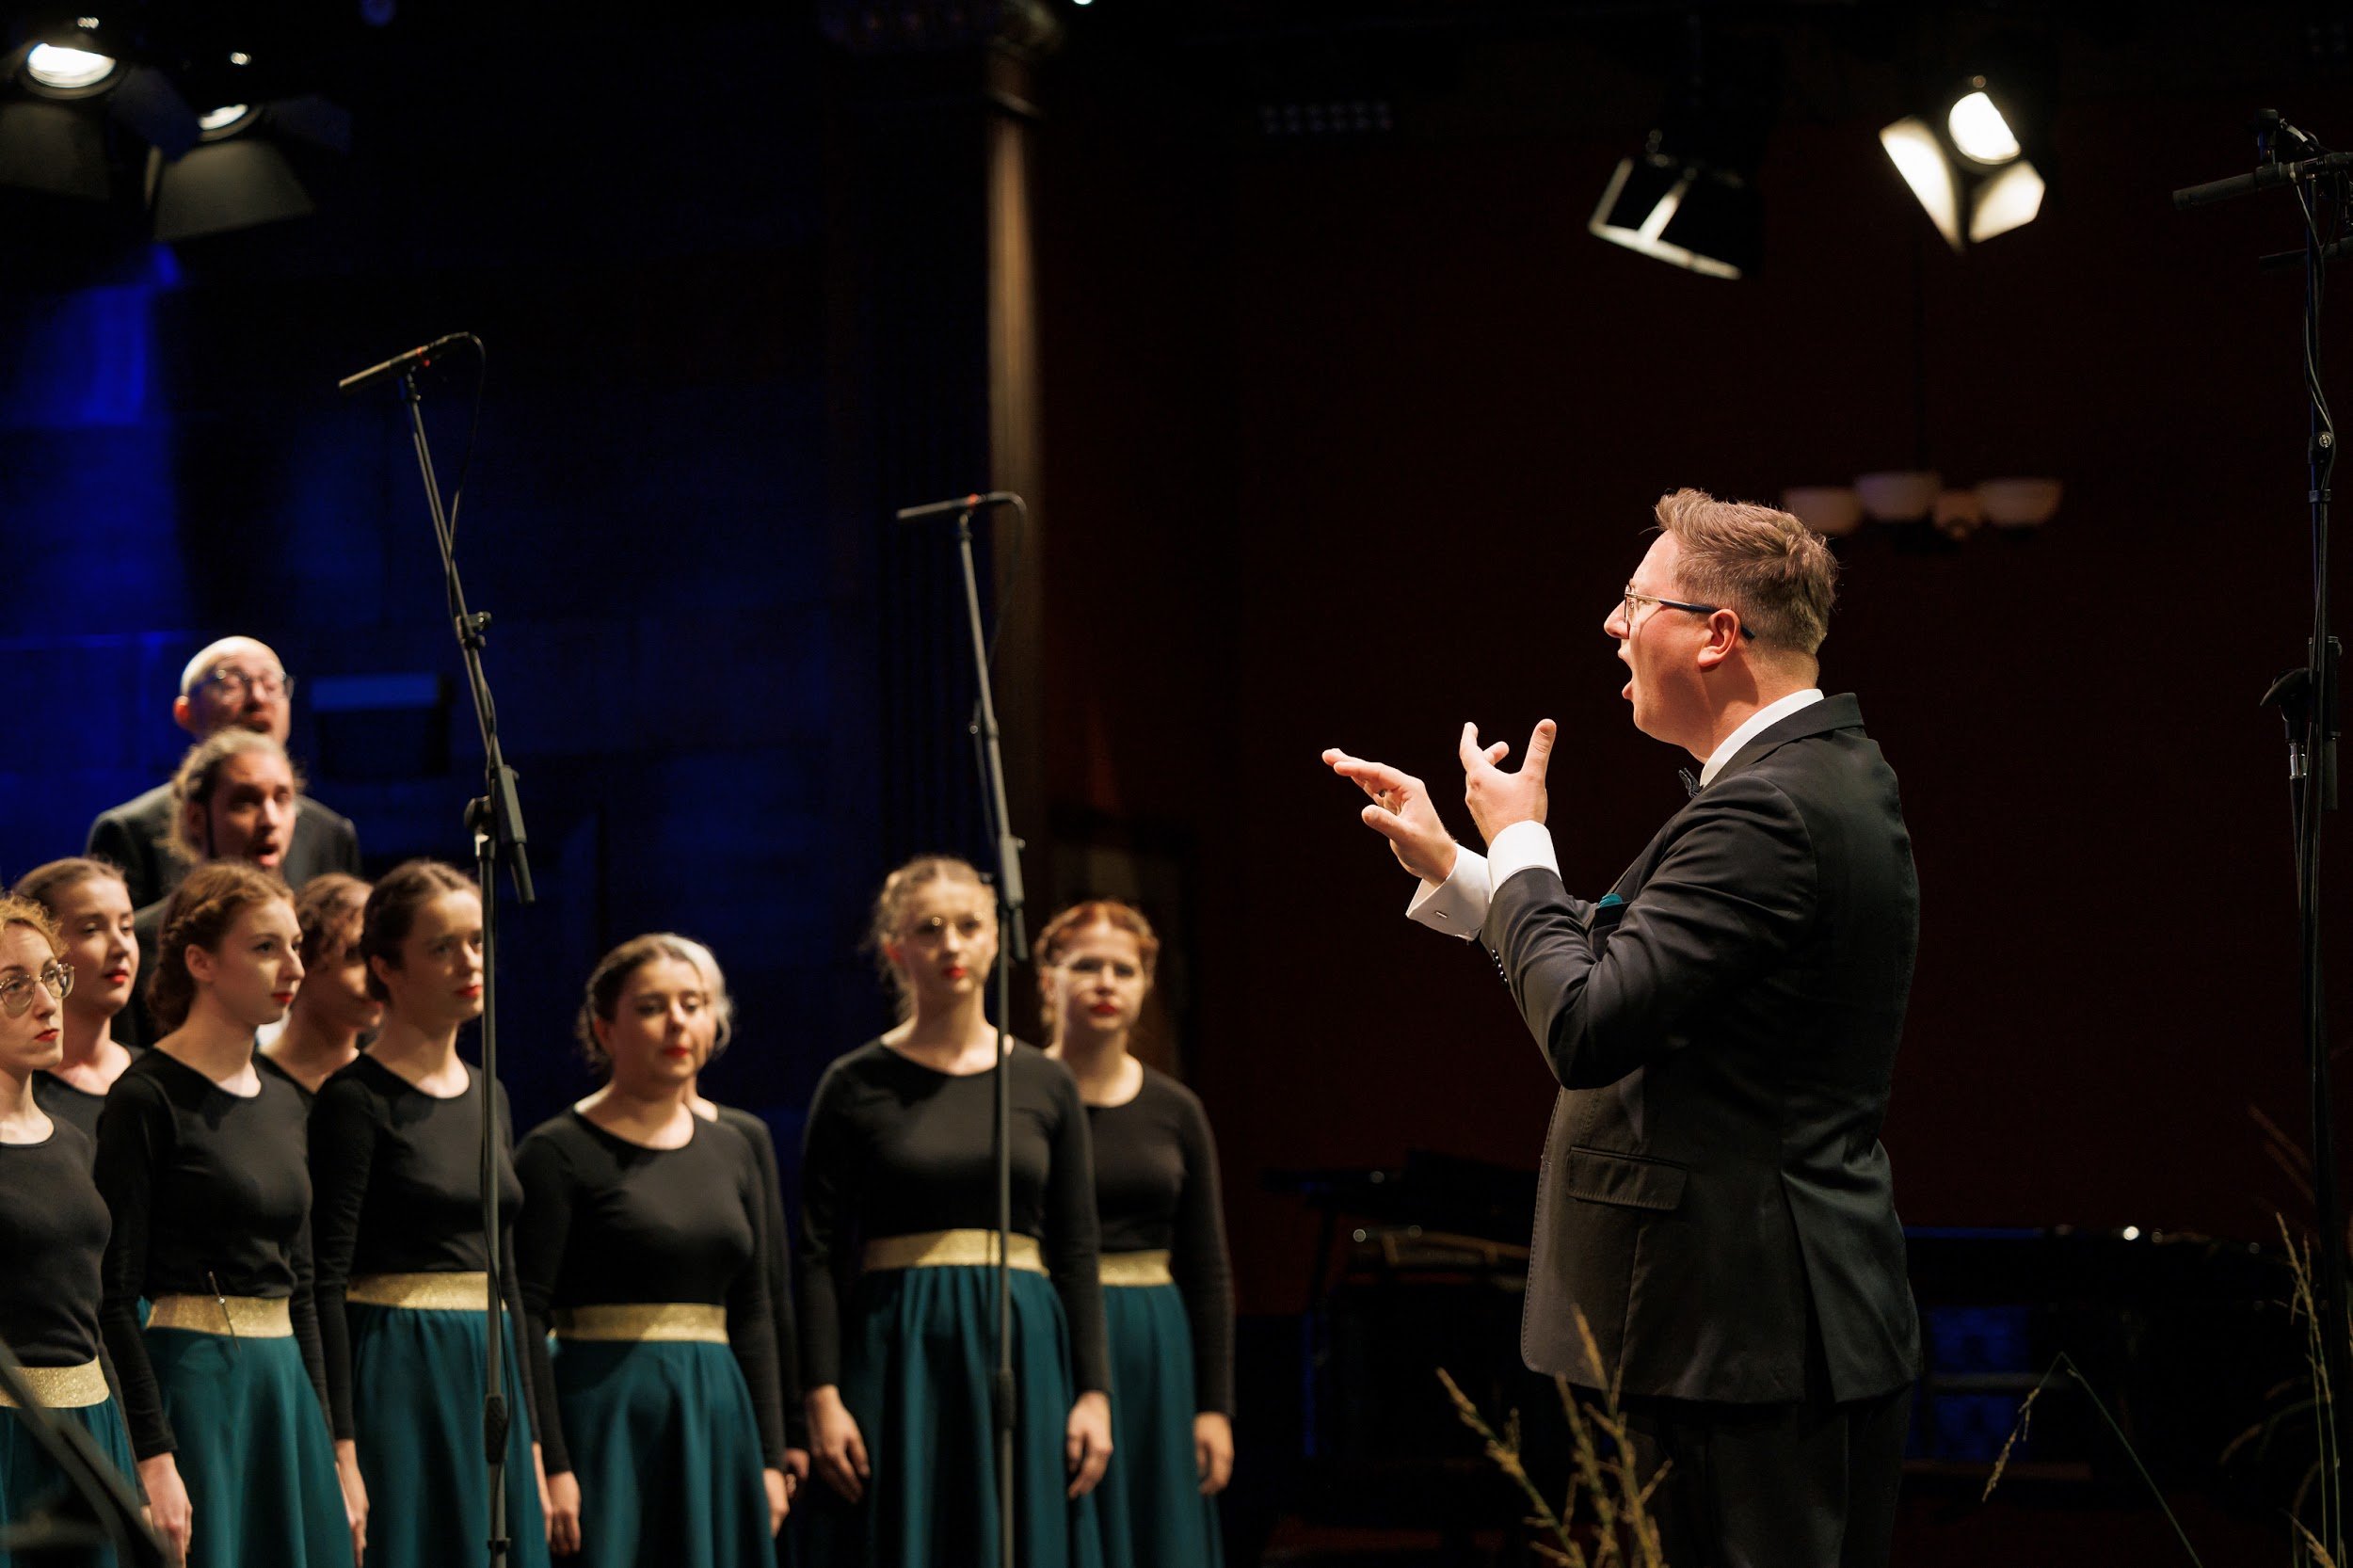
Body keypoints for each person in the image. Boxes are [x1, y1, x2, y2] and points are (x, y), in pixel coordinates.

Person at [1322, 488, 1921, 1568]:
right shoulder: (1808, 780)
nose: (1612, 623)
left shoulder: (1772, 807)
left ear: (1716, 633)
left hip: (1738, 1336)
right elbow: (1625, 968)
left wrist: (1522, 842)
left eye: (1636, 601)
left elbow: (1589, 1023)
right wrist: (1467, 869)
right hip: (1738, 1333)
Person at [797, 856, 1111, 1568]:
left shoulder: (1044, 1081)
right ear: (894, 950)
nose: (951, 944)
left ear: (996, 939)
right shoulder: (854, 1084)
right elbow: (816, 1252)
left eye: (969, 926)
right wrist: (821, 1395)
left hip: (1021, 1337)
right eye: (929, 928)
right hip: (899, 1342)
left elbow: (1077, 1246)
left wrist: (1094, 1391)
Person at [94, 860, 359, 1567]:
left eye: (296, 946)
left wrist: (335, 1447)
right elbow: (113, 1298)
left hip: (285, 1395)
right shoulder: (146, 1098)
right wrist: (152, 1457)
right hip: (198, 1389)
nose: (293, 968)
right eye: (266, 947)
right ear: (200, 962)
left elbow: (304, 1288)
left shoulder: (286, 1100)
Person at [517, 935, 789, 1568]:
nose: (677, 1022)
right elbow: (524, 1312)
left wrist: (771, 1458)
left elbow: (754, 1311)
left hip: (715, 1412)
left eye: (693, 1004)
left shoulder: (734, 1148)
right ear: (604, 1029)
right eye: (651, 1007)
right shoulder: (557, 1152)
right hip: (607, 1417)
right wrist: (551, 1460)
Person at [308, 859, 548, 1568]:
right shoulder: (354, 1100)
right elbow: (325, 1279)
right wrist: (340, 1444)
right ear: (386, 968)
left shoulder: (490, 1092)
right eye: (442, 947)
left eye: (476, 941)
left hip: (489, 1371)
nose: (469, 962)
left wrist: (535, 1444)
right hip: (400, 1369)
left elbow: (509, 1280)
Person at [1039, 899, 1233, 1568]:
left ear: (1146, 984)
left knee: (1157, 1528)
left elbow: (1208, 1269)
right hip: (1048, 1328)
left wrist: (1214, 1407)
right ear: (1048, 978)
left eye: (1124, 970)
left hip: (1152, 1340)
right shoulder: (1019, 1096)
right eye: (1085, 966)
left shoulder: (1175, 1110)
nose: (1105, 983)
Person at [0, 894, 142, 1563]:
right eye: (13, 986)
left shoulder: (75, 1140)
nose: (47, 1004)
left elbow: (95, 1315)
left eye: (52, 977)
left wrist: (131, 1472)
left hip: (91, 1430)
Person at [668, 936, 810, 1496]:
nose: (678, 1023)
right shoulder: (573, 1143)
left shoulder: (742, 1136)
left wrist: (786, 1430)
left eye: (695, 1003)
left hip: (726, 1384)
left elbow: (768, 1291)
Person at [86, 636, 359, 912]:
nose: (258, 698)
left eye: (271, 684)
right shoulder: (129, 831)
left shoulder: (331, 834)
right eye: (231, 684)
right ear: (185, 713)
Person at [119, 730, 308, 1052]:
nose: (270, 820)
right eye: (245, 802)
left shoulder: (310, 930)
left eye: (282, 799)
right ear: (196, 818)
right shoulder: (144, 943)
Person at [12, 858, 142, 1144]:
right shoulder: (18, 1094)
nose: (121, 947)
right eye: (91, 929)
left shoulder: (157, 1077)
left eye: (126, 927)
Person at [259, 874, 378, 1100]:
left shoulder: (384, 1088)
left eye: (383, 958)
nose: (377, 978)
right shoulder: (250, 1084)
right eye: (354, 954)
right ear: (302, 956)